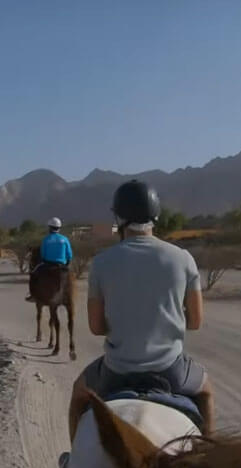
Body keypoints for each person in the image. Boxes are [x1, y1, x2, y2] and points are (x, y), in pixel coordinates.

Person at [67, 180, 214, 443]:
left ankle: (71, 460)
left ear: (119, 218)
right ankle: (210, 458)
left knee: (78, 395)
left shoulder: (101, 263)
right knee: (206, 392)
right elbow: (195, 322)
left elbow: (96, 327)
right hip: (171, 369)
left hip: (116, 371)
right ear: (155, 216)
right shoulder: (182, 258)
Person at [26, 217, 72, 302]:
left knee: (33, 275)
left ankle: (33, 295)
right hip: (62, 265)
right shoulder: (65, 239)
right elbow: (69, 255)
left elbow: (43, 255)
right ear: (59, 228)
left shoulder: (46, 239)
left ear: (50, 228)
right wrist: (66, 263)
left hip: (48, 264)